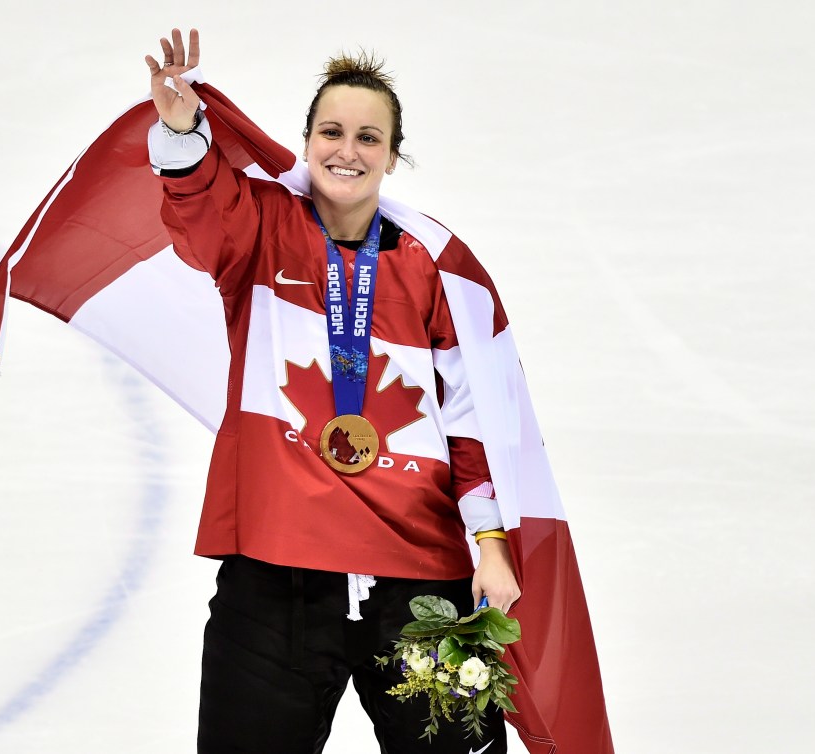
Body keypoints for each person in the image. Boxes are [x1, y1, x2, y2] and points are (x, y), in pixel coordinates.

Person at [144, 28, 519, 753]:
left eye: (368, 137)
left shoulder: (433, 265)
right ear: (307, 140)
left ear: (392, 153)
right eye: (332, 131)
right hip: (275, 577)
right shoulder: (259, 229)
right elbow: (198, 211)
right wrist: (180, 127)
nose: (347, 150)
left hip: (419, 584)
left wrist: (492, 541)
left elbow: (469, 417)